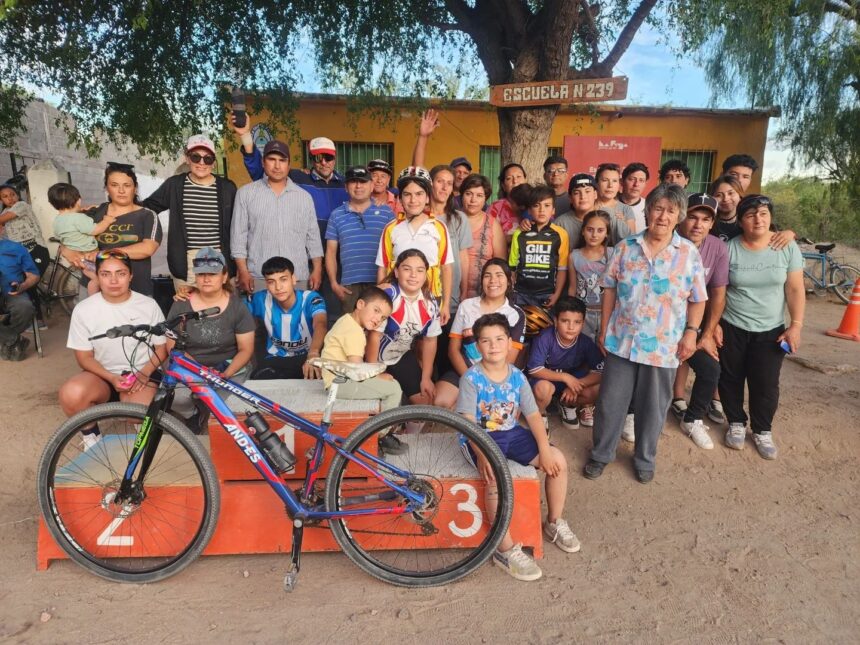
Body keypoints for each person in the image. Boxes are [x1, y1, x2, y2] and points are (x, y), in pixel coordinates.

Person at [585, 183, 707, 484]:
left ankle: (644, 458)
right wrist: (604, 329)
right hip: (622, 340)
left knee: (653, 407)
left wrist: (691, 333)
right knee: (610, 403)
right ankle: (601, 454)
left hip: (664, 345)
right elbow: (610, 288)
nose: (663, 216)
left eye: (671, 211)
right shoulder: (625, 247)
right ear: (648, 211)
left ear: (679, 216)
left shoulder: (688, 253)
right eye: (658, 208)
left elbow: (698, 298)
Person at [456, 312, 579, 582]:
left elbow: (533, 415)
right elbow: (467, 422)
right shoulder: (471, 379)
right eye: (486, 341)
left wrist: (544, 450)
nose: (494, 345)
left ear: (509, 342)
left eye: (499, 339)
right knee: (496, 478)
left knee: (558, 460)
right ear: (477, 346)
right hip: (479, 437)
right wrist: (482, 454)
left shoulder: (517, 377)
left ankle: (554, 522)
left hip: (511, 432)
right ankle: (505, 550)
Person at [718, 194, 804, 460]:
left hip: (771, 329)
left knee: (765, 383)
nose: (758, 219)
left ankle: (762, 430)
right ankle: (735, 422)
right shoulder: (729, 249)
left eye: (764, 213)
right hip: (732, 325)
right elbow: (719, 291)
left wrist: (796, 325)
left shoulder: (786, 246)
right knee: (730, 377)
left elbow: (795, 288)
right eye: (751, 215)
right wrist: (713, 325)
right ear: (741, 221)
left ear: (771, 217)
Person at [60, 250, 167, 450]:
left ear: (131, 276)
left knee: (137, 413)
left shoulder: (148, 305)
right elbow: (84, 357)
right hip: (102, 376)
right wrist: (111, 377)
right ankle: (91, 437)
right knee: (71, 393)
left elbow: (162, 348)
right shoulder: (84, 309)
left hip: (141, 373)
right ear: (97, 277)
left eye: (121, 273)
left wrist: (144, 373)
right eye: (106, 274)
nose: (114, 280)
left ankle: (140, 424)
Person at [167, 247, 256, 432]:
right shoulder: (181, 304)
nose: (206, 279)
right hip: (190, 366)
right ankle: (194, 413)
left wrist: (226, 374)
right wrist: (200, 373)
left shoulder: (237, 307)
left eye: (212, 274)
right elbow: (172, 346)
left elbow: (246, 349)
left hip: (228, 368)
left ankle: (206, 409)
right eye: (201, 274)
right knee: (174, 398)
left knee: (224, 407)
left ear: (224, 277)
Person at [366, 250, 442, 452]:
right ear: (397, 271)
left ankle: (407, 440)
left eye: (420, 270)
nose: (413, 275)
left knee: (424, 404)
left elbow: (430, 340)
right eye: (407, 269)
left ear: (426, 274)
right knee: (378, 403)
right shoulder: (388, 295)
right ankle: (380, 438)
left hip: (398, 355)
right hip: (371, 357)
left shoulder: (430, 303)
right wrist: (373, 372)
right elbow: (374, 337)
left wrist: (426, 377)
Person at [670, 194, 729, 449]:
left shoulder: (717, 248)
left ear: (712, 223)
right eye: (693, 217)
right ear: (682, 217)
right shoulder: (666, 239)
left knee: (711, 369)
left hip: (692, 324)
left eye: (705, 220)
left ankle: (692, 419)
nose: (698, 224)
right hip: (662, 323)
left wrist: (706, 333)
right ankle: (633, 414)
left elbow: (718, 293)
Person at [142, 135, 237, 291]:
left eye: (207, 159)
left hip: (220, 257)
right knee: (189, 305)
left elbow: (239, 225)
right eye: (196, 157)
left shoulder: (227, 188)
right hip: (186, 262)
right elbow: (148, 208)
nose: (201, 163)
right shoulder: (174, 185)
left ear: (213, 162)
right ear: (187, 158)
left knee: (223, 304)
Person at [230, 140, 324, 294]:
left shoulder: (304, 197)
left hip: (297, 277)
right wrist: (243, 271)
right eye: (272, 159)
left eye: (282, 160)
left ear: (289, 164)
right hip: (259, 278)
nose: (277, 166)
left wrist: (317, 269)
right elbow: (238, 237)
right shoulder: (245, 194)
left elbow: (313, 237)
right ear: (263, 162)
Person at [434, 258, 526, 409]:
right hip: (464, 370)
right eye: (487, 275)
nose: (493, 280)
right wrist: (471, 379)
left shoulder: (516, 314)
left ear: (509, 281)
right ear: (482, 280)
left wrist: (487, 383)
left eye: (499, 275)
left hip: (496, 375)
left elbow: (509, 359)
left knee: (487, 411)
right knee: (440, 402)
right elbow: (453, 350)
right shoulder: (466, 306)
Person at [376, 166, 454, 324]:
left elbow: (446, 267)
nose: (413, 200)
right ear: (400, 199)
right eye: (407, 194)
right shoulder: (391, 228)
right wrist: (380, 302)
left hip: (430, 298)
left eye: (419, 194)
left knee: (428, 337)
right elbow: (382, 267)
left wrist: (445, 304)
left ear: (427, 197)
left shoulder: (439, 227)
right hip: (397, 299)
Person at [83, 164, 163, 297]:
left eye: (127, 185)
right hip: (93, 287)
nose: (121, 190)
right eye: (114, 185)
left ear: (135, 188)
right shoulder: (94, 213)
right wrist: (71, 252)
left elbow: (147, 248)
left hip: (136, 289)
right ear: (107, 188)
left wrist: (104, 254)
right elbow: (69, 235)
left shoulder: (147, 215)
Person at [320, 285, 402, 412]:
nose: (378, 319)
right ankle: (385, 425)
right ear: (360, 304)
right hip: (340, 384)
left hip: (339, 380)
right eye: (376, 310)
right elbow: (357, 370)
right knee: (394, 389)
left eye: (383, 318)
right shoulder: (353, 330)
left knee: (390, 384)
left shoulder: (347, 320)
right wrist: (378, 377)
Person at [527, 296, 604, 430]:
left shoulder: (585, 342)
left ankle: (567, 404)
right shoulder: (545, 337)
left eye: (577, 322)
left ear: (583, 323)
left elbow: (600, 373)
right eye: (565, 321)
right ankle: (540, 414)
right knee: (543, 389)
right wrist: (566, 377)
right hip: (547, 381)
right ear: (556, 321)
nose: (571, 327)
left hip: (572, 383)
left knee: (598, 389)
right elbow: (534, 369)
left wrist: (576, 384)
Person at [326, 166, 394, 312]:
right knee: (350, 325)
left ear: (371, 186)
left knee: (378, 325)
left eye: (363, 182)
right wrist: (333, 284)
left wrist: (390, 282)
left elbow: (395, 249)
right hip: (349, 287)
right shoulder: (336, 215)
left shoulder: (387, 213)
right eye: (353, 182)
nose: (358, 186)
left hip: (380, 282)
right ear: (346, 187)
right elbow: (330, 252)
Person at [247, 256, 327, 380]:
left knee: (319, 380)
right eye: (271, 282)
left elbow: (321, 323)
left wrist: (313, 353)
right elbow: (235, 312)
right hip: (275, 359)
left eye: (283, 279)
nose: (278, 287)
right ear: (266, 284)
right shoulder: (260, 299)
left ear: (293, 279)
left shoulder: (311, 298)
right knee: (257, 380)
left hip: (307, 357)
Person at [428, 165, 472, 376]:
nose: (445, 187)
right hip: (423, 294)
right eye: (440, 181)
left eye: (449, 183)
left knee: (447, 351)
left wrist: (464, 290)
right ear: (430, 184)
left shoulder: (459, 218)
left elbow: (463, 257)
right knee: (424, 349)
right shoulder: (420, 216)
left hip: (451, 295)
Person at [48, 182, 115, 294]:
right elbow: (96, 230)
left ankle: (93, 298)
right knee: (99, 278)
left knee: (92, 276)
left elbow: (60, 235)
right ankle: (96, 298)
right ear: (78, 200)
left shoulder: (57, 220)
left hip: (76, 257)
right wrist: (106, 221)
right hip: (89, 254)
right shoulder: (79, 218)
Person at [509, 185, 569, 308]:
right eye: (536, 205)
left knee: (547, 321)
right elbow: (512, 267)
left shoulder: (561, 234)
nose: (542, 210)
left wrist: (557, 294)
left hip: (547, 293)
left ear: (553, 210)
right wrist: (511, 291)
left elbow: (562, 269)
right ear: (529, 210)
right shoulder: (519, 233)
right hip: (521, 293)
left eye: (547, 205)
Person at [1, 183, 49, 326]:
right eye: (5, 196)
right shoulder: (4, 214)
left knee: (29, 284)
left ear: (17, 195)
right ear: (1, 200)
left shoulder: (22, 206)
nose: (10, 198)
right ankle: (25, 319)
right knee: (20, 285)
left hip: (36, 249)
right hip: (20, 255)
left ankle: (39, 321)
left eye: (12, 194)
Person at [567, 210, 612, 340]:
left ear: (607, 233)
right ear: (583, 231)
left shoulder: (613, 253)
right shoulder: (574, 256)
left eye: (600, 230)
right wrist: (570, 312)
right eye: (590, 230)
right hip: (583, 313)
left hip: (607, 313)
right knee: (584, 347)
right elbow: (572, 288)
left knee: (604, 347)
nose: (594, 235)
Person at [461, 174, 506, 299]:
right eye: (468, 194)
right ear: (462, 195)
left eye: (479, 195)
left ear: (486, 198)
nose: (473, 200)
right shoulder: (451, 221)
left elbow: (500, 264)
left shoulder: (493, 225)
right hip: (452, 293)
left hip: (484, 295)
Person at [555, 173, 630, 247]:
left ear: (595, 194)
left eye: (587, 191)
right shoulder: (560, 224)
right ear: (570, 198)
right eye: (577, 193)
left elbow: (628, 246)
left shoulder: (610, 216)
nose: (583, 197)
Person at [0, 220, 39, 360]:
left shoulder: (16, 248)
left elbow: (34, 275)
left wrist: (23, 286)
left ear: (1, 228)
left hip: (13, 292)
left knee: (25, 307)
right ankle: (14, 340)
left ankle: (5, 337)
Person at [488, 163, 528, 238]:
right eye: (509, 178)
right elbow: (488, 237)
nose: (515, 181)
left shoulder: (536, 202)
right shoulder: (496, 208)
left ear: (525, 181)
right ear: (503, 186)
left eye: (519, 176)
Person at [594, 163, 636, 232]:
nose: (610, 185)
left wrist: (624, 225)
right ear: (596, 183)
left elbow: (632, 238)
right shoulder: (588, 206)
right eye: (605, 180)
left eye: (614, 181)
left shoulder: (626, 210)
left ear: (619, 184)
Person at [619, 162, 650, 232]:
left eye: (641, 180)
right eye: (632, 179)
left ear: (645, 184)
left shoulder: (649, 207)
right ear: (622, 181)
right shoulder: (610, 203)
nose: (636, 184)